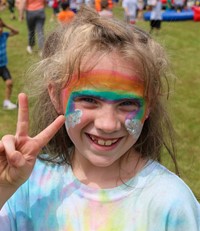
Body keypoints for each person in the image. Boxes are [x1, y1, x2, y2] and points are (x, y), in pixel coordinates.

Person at [0, 6, 199, 230]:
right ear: (56, 96)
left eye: (127, 104)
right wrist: (4, 189)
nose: (107, 124)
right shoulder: (26, 186)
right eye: (89, 100)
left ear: (149, 105)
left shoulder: (171, 203)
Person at [0, 18, 19, 110]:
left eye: (1, 27)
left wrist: (6, 25)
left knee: (9, 83)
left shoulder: (4, 35)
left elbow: (16, 32)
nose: (0, 29)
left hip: (2, 66)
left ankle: (6, 102)